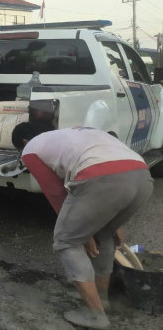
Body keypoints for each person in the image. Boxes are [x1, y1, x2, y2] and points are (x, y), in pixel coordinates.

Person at [11, 123, 154, 330]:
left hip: (103, 177)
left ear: (24, 142)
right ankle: (102, 300)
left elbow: (56, 193)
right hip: (141, 176)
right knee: (105, 236)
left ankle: (95, 315)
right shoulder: (72, 133)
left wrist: (82, 234)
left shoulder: (31, 149)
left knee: (66, 241)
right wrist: (114, 224)